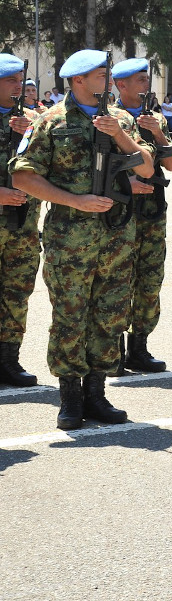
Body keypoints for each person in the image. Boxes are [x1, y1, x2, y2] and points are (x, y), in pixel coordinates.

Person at [11, 49, 154, 429]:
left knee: (109, 315)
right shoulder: (49, 122)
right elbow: (23, 176)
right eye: (101, 74)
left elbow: (148, 166)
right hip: (70, 239)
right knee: (70, 316)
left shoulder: (121, 118)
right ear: (78, 80)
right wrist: (74, 200)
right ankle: (70, 397)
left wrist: (120, 135)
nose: (108, 79)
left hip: (116, 236)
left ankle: (97, 392)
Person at [112, 58, 172, 373]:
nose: (145, 84)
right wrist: (128, 182)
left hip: (152, 212)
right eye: (139, 79)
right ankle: (115, 350)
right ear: (120, 85)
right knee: (118, 279)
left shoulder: (155, 118)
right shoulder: (109, 119)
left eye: (146, 79)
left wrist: (159, 136)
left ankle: (140, 346)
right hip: (119, 211)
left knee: (149, 280)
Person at [0, 56, 43, 387]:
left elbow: (57, 167)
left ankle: (9, 360)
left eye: (21, 80)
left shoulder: (34, 120)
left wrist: (31, 133)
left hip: (24, 226)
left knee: (18, 291)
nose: (20, 87)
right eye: (11, 80)